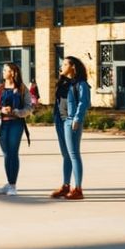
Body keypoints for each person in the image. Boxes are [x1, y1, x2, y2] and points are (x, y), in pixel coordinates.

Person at [50, 56, 90, 200]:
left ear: (73, 67)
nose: (62, 66)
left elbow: (84, 102)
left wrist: (77, 119)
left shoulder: (81, 84)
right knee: (65, 155)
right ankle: (66, 186)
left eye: (65, 64)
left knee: (73, 154)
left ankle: (78, 189)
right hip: (60, 120)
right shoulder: (63, 82)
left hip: (71, 121)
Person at [0, 63, 33, 196]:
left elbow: (29, 107)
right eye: (3, 70)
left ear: (13, 73)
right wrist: (0, 110)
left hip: (16, 124)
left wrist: (16, 112)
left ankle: (13, 185)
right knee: (6, 154)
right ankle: (9, 183)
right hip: (2, 123)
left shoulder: (22, 89)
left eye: (6, 70)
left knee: (13, 153)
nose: (3, 72)